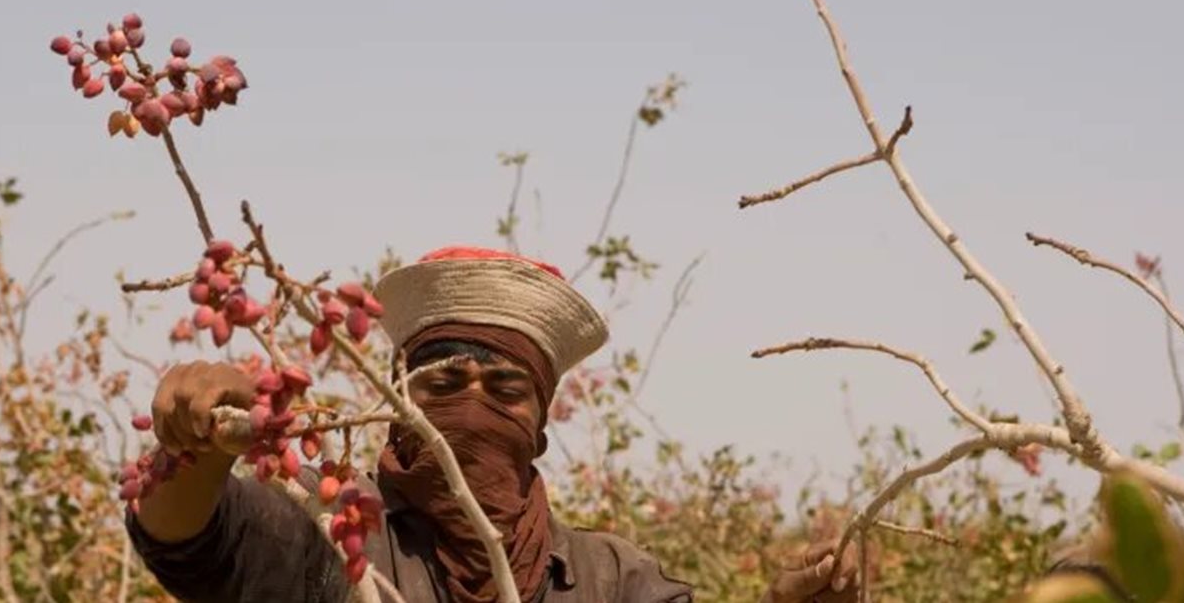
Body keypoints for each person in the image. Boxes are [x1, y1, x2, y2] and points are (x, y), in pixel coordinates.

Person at [128, 246, 859, 602]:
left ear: (538, 426)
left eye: (505, 388)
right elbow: (191, 539)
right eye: (443, 384)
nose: (472, 406)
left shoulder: (609, 579)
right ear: (399, 407)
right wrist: (197, 444)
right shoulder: (338, 532)